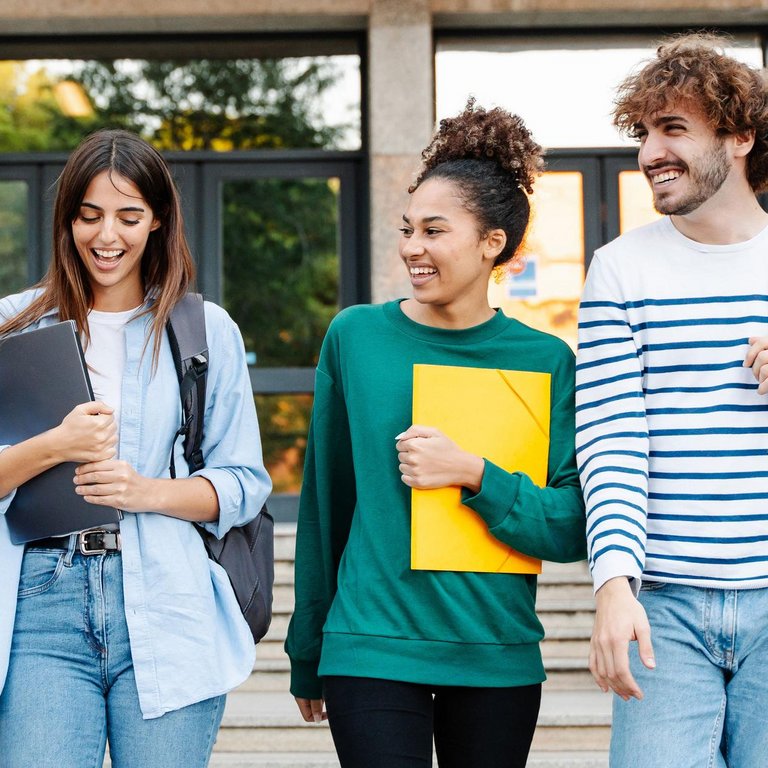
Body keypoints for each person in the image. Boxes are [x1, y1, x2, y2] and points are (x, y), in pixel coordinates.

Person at [285, 100, 586, 768]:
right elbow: (325, 501)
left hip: (495, 652)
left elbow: (571, 526)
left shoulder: (546, 361)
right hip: (371, 642)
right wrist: (308, 646)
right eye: (407, 228)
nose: (412, 248)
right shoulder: (356, 338)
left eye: (434, 231)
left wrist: (474, 473)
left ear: (491, 244)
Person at [0, 129, 271, 767]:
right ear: (67, 221)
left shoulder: (205, 329)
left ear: (157, 221)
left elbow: (243, 484)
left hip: (169, 598)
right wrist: (54, 445)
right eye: (89, 216)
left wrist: (144, 492)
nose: (107, 237)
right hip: (43, 599)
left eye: (128, 216)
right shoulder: (14, 324)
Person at [576, 32, 768, 767]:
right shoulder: (622, 268)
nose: (650, 151)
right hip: (665, 609)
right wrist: (614, 585)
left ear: (741, 135)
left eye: (674, 128)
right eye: (644, 132)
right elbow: (612, 435)